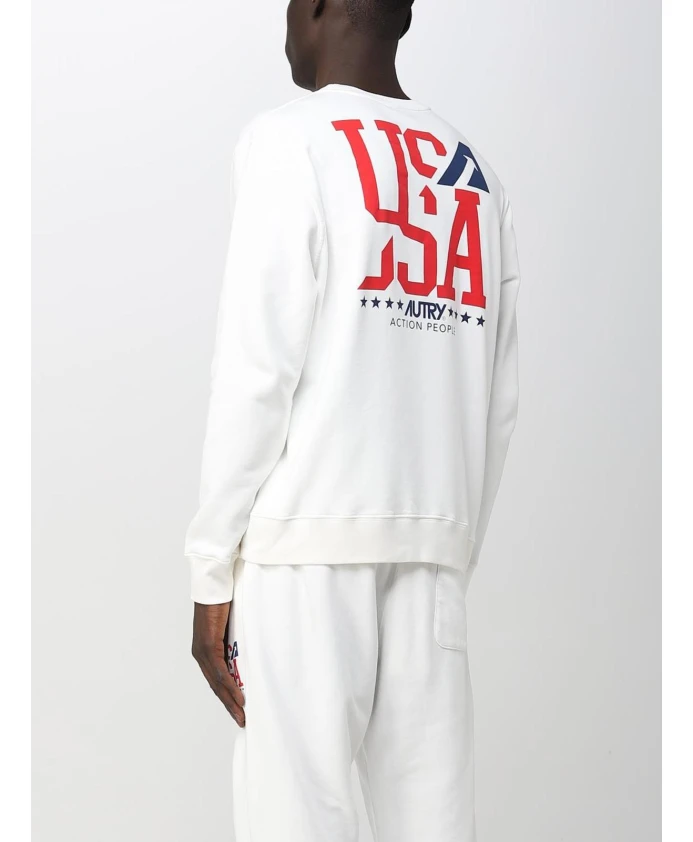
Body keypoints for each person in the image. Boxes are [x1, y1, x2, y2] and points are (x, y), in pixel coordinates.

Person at [186, 1, 520, 839]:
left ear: (319, 8)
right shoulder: (472, 173)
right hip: (430, 555)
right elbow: (497, 397)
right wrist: (447, 543)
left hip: (303, 555)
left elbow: (257, 370)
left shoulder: (291, 140)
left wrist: (211, 570)